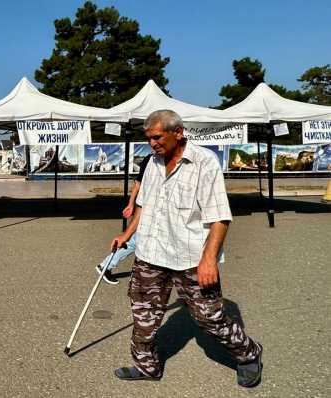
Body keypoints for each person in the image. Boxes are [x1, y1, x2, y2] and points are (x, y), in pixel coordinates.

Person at [110, 110, 263, 388]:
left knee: (209, 318)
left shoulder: (204, 162)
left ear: (177, 132)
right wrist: (127, 233)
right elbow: (144, 205)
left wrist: (209, 260)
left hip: (191, 257)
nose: (152, 144)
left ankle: (248, 354)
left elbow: (219, 217)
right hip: (151, 254)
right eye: (148, 138)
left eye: (157, 137)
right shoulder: (153, 163)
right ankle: (147, 366)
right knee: (144, 314)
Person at [96, 153, 152, 285]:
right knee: (135, 240)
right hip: (147, 207)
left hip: (155, 209)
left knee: (136, 240)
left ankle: (106, 266)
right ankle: (106, 266)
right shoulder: (149, 159)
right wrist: (131, 204)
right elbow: (138, 184)